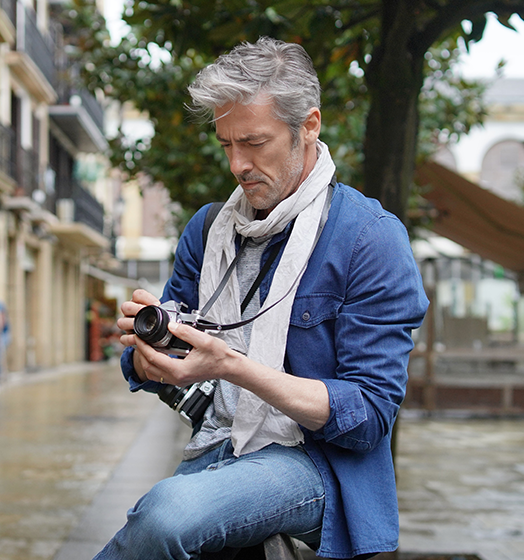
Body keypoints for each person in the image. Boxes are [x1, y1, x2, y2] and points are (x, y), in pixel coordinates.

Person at [97, 37, 429, 560]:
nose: (237, 163)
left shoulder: (369, 238)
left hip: (316, 464)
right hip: (217, 446)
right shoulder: (209, 231)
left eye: (254, 142)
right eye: (227, 144)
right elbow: (156, 364)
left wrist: (232, 367)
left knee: (167, 516)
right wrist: (150, 351)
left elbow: (369, 417)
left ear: (309, 126)